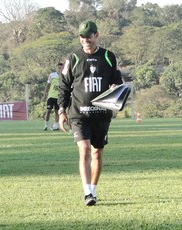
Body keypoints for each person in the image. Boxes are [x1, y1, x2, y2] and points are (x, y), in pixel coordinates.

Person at [57, 20, 123, 206]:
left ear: (96, 35)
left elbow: (117, 82)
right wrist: (62, 111)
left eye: (89, 36)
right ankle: (87, 193)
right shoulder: (73, 58)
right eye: (82, 36)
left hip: (101, 115)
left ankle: (93, 191)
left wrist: (115, 92)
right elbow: (64, 87)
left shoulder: (109, 57)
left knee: (97, 153)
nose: (86, 40)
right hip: (79, 114)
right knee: (84, 149)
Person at [42, 63, 63, 131]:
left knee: (57, 112)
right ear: (57, 68)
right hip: (51, 96)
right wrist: (45, 95)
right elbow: (47, 85)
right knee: (48, 110)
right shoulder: (52, 75)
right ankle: (46, 125)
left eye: (61, 68)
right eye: (59, 67)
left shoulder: (64, 76)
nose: (60, 69)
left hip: (59, 97)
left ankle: (56, 125)